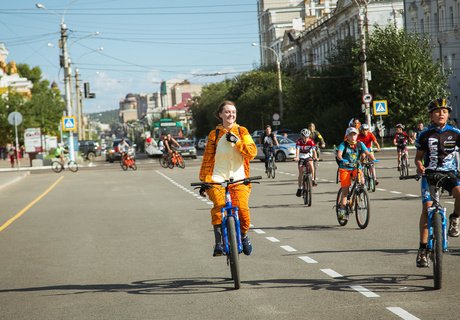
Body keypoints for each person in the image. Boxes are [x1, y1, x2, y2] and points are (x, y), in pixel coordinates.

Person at [199, 100, 257, 257]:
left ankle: (243, 236)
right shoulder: (214, 135)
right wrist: (204, 181)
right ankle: (218, 243)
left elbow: (251, 152)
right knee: (219, 205)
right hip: (216, 178)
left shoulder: (242, 131)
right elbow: (207, 159)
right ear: (220, 115)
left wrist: (237, 142)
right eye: (227, 112)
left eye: (233, 112)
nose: (231, 114)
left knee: (243, 212)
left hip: (239, 178)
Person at [414, 98, 460, 267]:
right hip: (430, 175)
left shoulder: (456, 133)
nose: (441, 114)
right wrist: (420, 167)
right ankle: (423, 249)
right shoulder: (424, 134)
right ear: (431, 115)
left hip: (449, 174)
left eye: (444, 111)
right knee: (427, 209)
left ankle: (455, 218)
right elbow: (418, 158)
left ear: (448, 114)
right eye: (437, 111)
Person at [336, 127, 376, 219]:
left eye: (354, 134)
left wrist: (374, 160)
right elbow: (339, 155)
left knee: (361, 181)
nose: (353, 136)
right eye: (350, 135)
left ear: (357, 135)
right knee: (345, 191)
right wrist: (342, 159)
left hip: (356, 167)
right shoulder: (344, 144)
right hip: (345, 168)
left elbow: (368, 153)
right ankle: (342, 210)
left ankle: (359, 192)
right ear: (347, 136)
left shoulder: (359, 144)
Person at [294, 128, 318, 197]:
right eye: (305, 137)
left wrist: (315, 157)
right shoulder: (299, 141)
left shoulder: (311, 141)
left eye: (307, 137)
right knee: (300, 171)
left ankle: (313, 179)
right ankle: (300, 188)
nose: (306, 138)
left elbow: (314, 151)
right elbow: (297, 150)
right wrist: (297, 157)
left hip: (308, 155)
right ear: (302, 136)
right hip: (301, 156)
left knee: (311, 164)